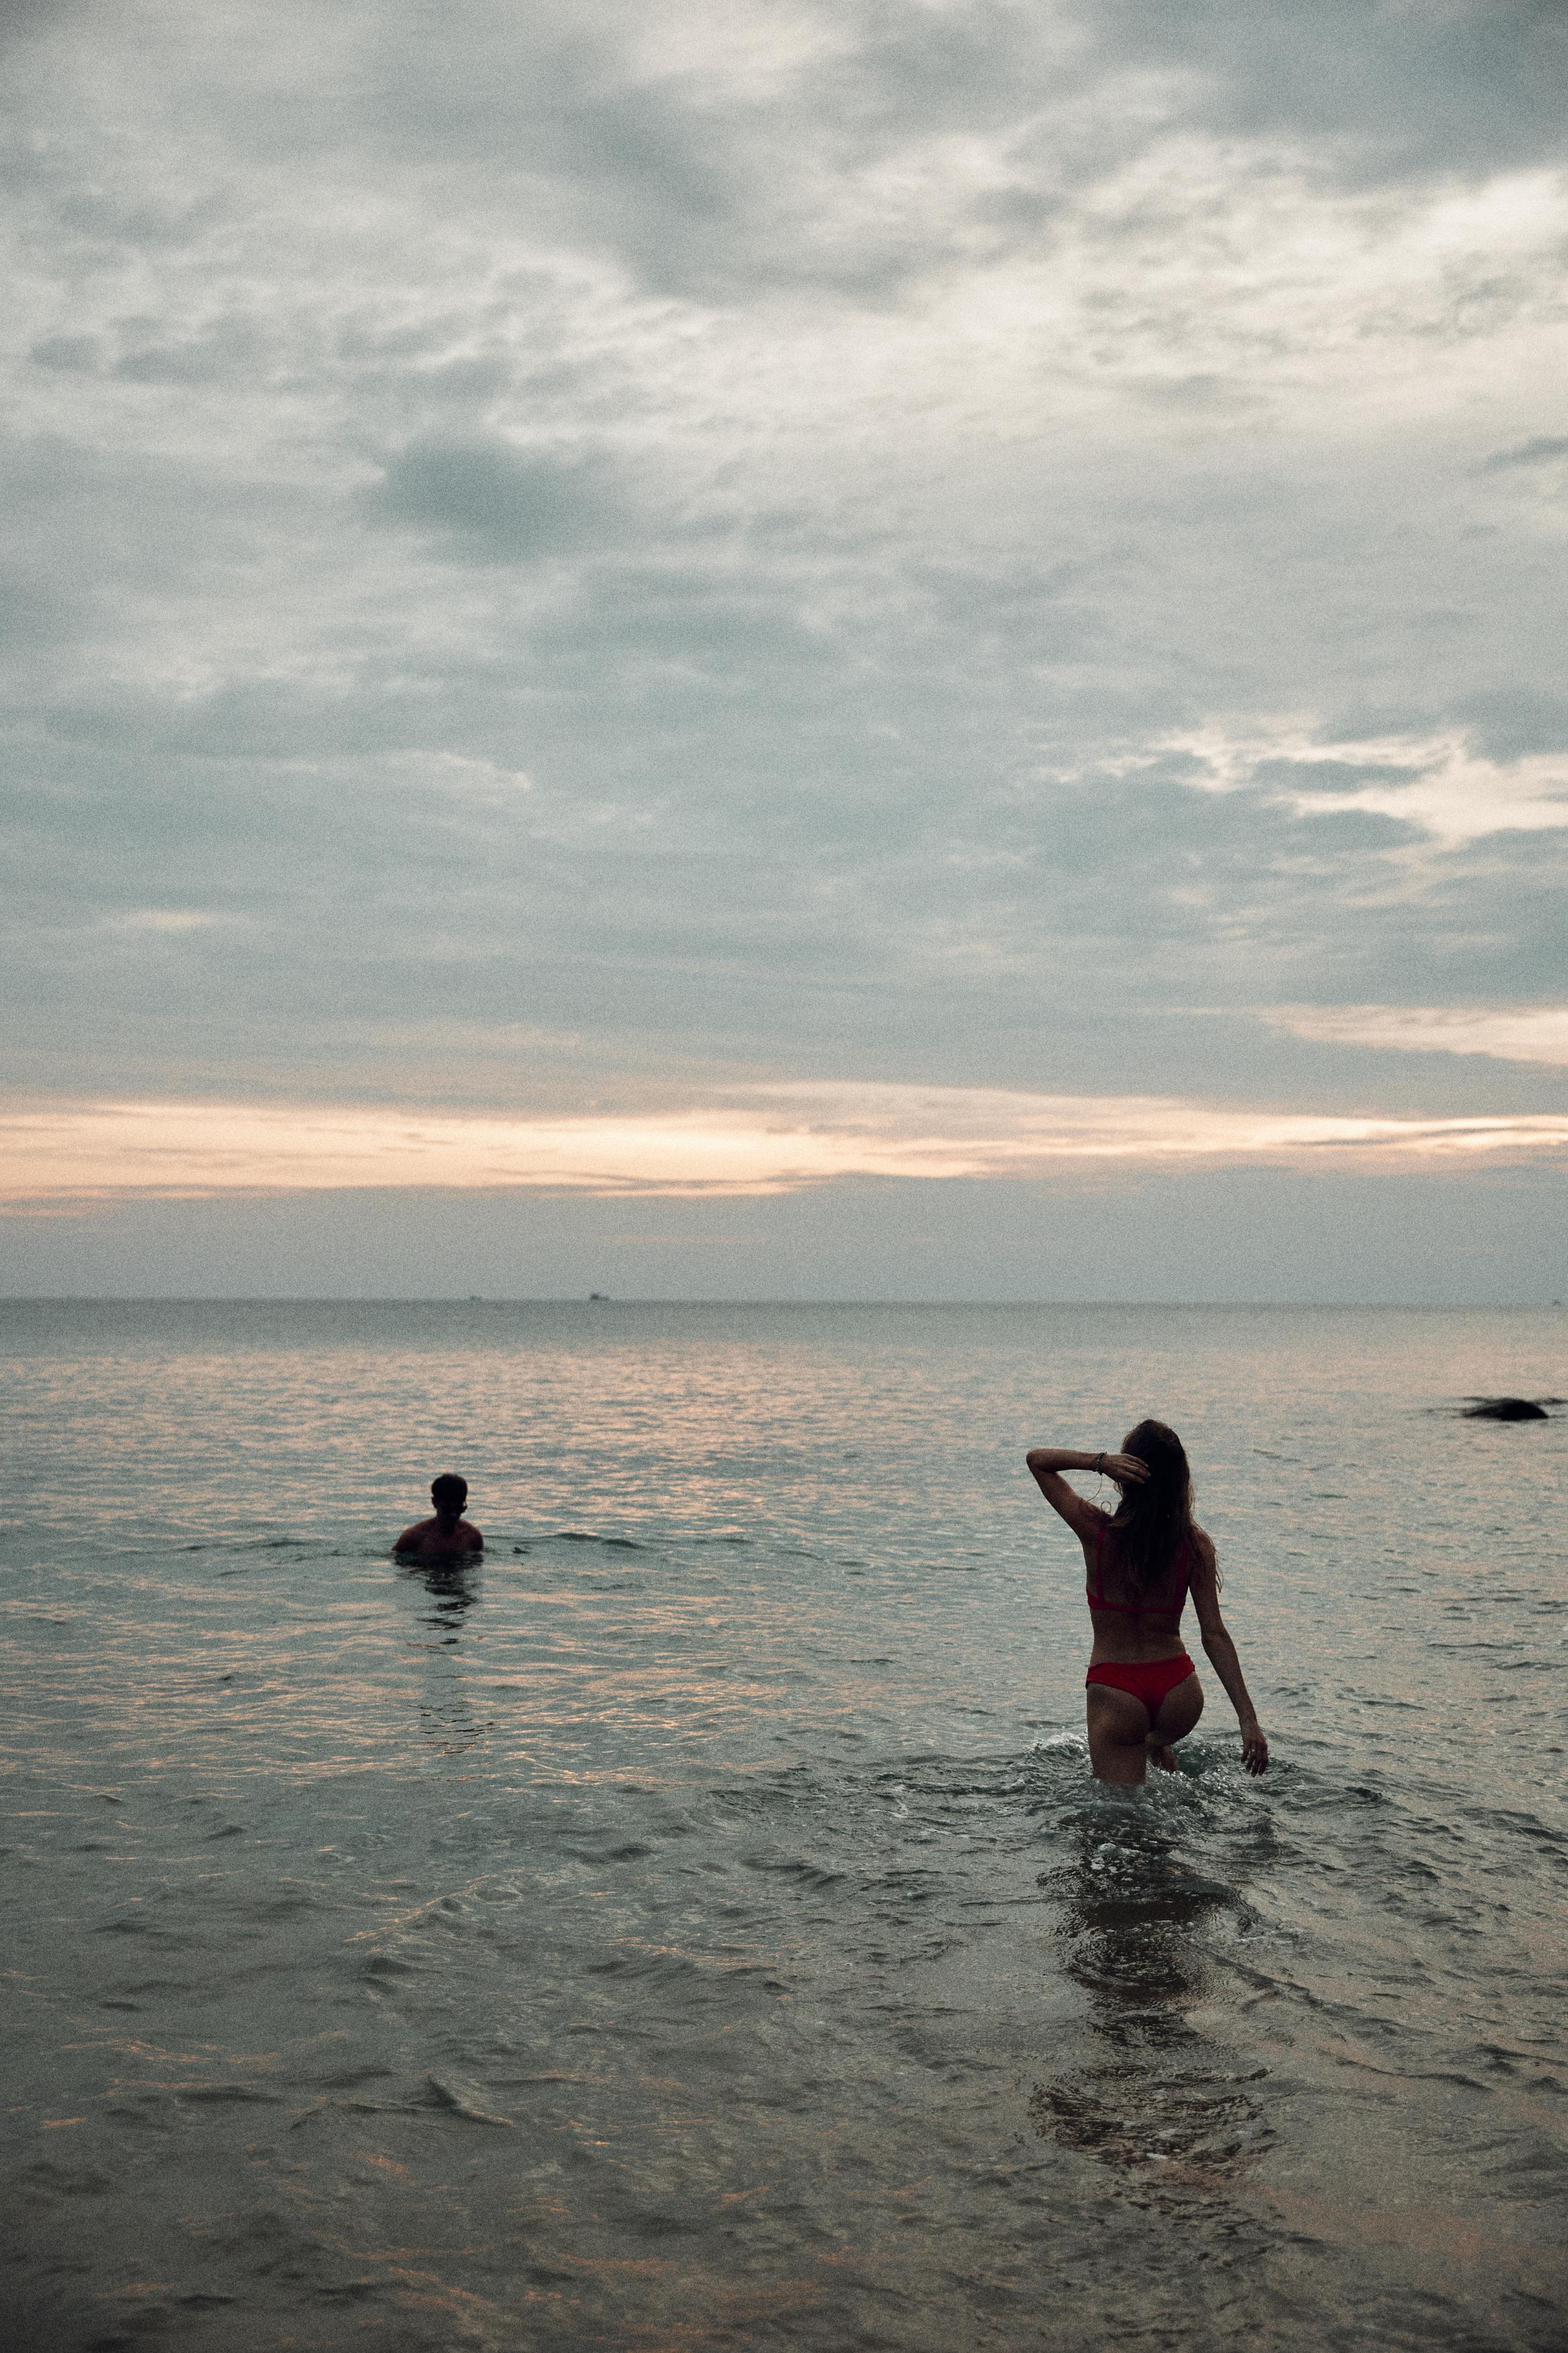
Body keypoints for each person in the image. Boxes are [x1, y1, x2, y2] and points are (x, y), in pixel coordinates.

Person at [1026, 1421, 1268, 1785]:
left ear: (1126, 1474)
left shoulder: (1098, 1532)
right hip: (1179, 1695)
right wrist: (1248, 1720)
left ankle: (1140, 1741)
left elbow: (1037, 1460)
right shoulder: (1194, 1546)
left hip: (1116, 1691)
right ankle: (1154, 1742)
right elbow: (1214, 1635)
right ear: (1180, 1480)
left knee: (1121, 1822)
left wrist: (1099, 1462)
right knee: (1150, 1751)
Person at [394, 1474, 483, 1562]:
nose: (453, 1515)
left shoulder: (472, 1537)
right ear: (434, 1503)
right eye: (447, 1509)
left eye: (459, 1509)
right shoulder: (414, 1538)